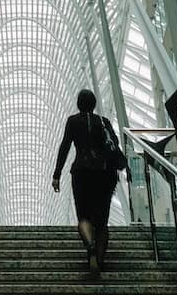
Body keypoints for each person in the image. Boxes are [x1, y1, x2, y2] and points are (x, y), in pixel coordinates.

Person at [51, 89, 119, 276]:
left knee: (84, 217)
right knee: (102, 221)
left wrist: (56, 174)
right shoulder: (103, 122)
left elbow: (65, 147)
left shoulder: (73, 122)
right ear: (94, 104)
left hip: (81, 173)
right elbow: (115, 144)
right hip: (104, 174)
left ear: (79, 104)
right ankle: (100, 259)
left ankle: (90, 249)